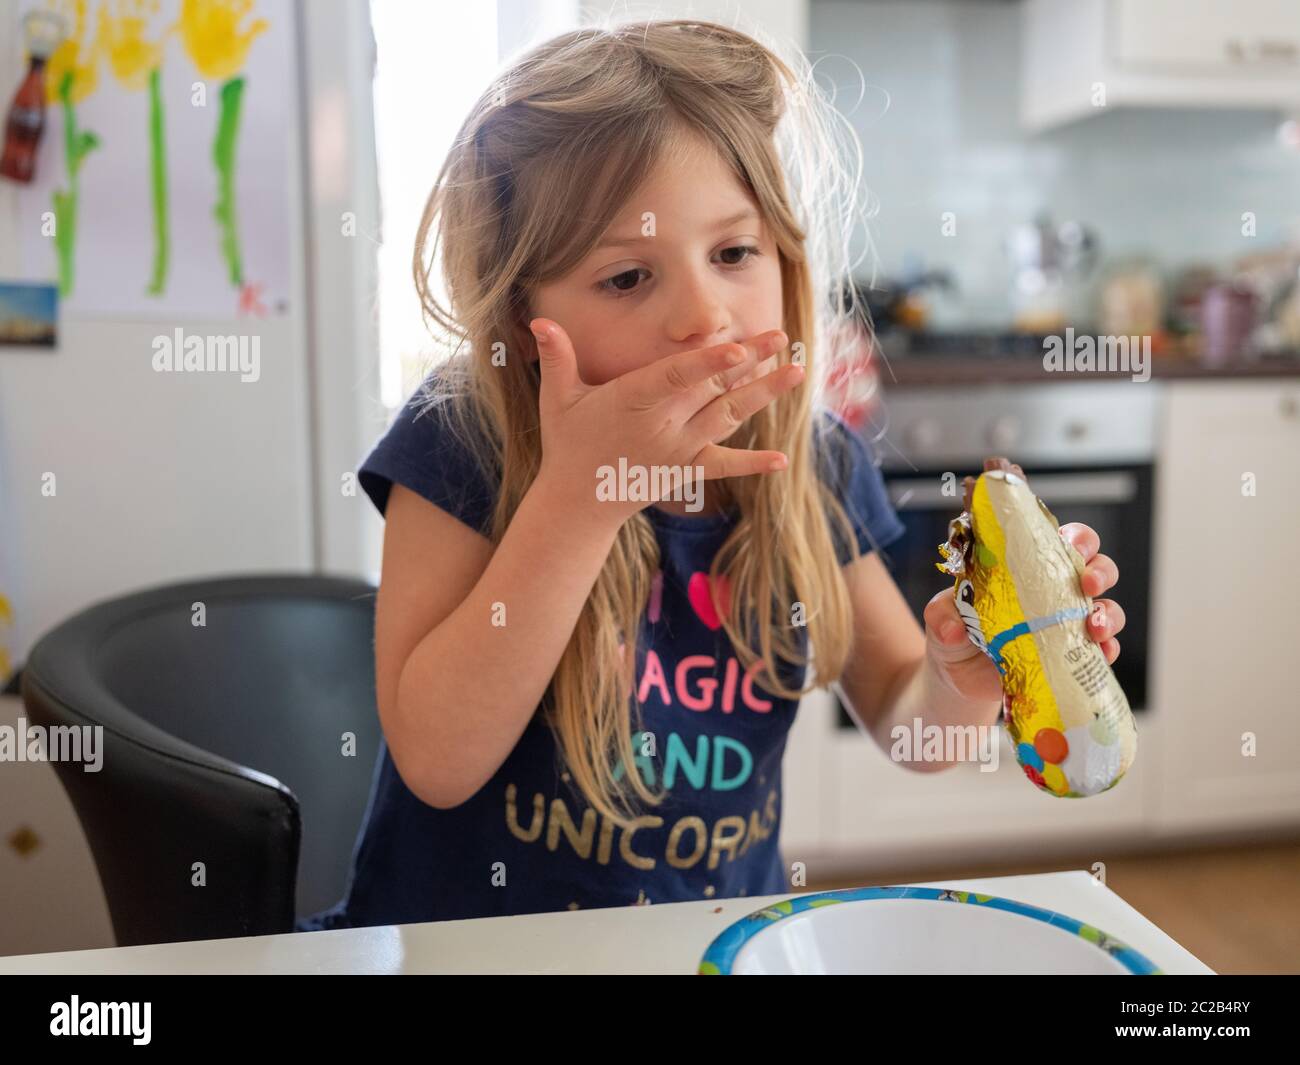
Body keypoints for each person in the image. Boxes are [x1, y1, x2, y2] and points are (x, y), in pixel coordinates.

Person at [298, 19, 1124, 930]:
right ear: (521, 305)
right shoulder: (464, 440)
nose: (702, 315)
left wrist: (962, 676)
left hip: (707, 944)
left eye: (733, 254)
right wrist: (580, 501)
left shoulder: (812, 464)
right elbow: (437, 760)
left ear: (784, 258)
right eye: (625, 278)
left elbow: (904, 719)